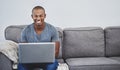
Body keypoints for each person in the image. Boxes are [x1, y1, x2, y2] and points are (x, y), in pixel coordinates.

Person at [18, 6, 60, 70]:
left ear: (45, 16)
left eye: (41, 16)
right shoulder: (25, 30)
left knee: (52, 66)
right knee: (21, 67)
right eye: (36, 16)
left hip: (47, 61)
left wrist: (44, 58)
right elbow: (24, 52)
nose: (38, 18)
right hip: (30, 61)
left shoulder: (52, 29)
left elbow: (56, 52)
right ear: (32, 16)